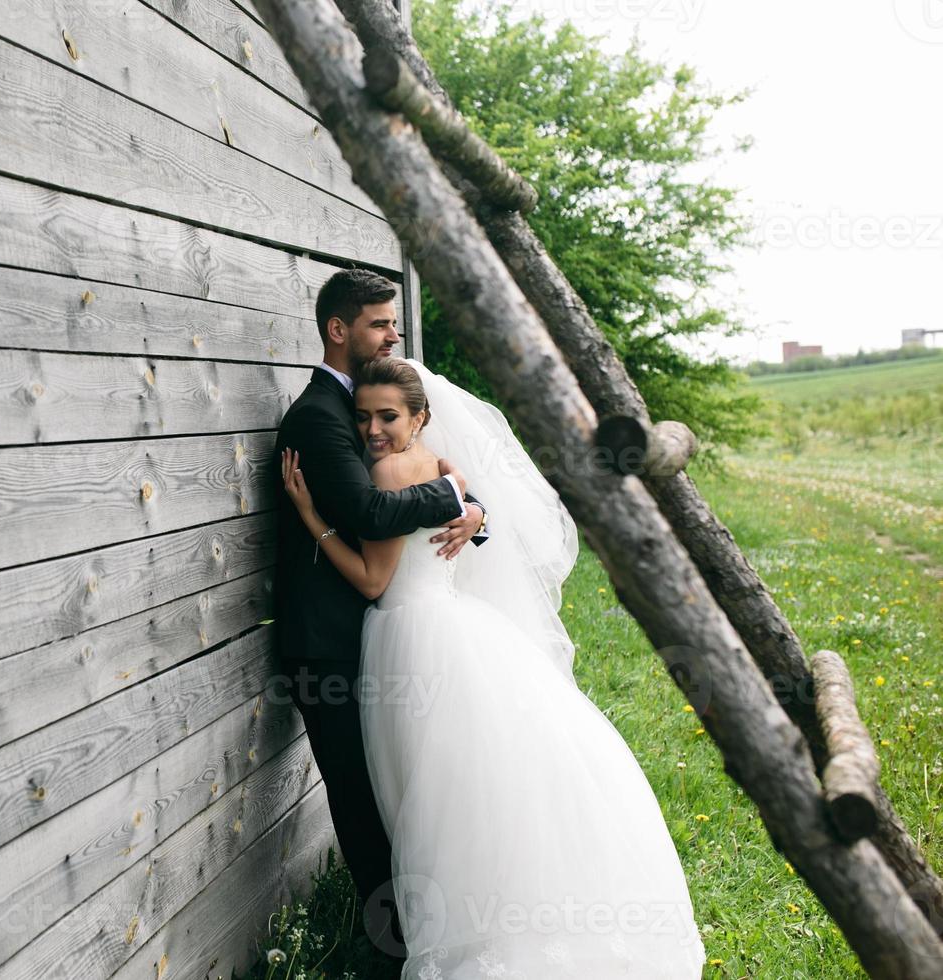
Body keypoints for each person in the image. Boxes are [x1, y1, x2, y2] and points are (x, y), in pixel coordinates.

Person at [281, 356, 706, 978]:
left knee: (433, 794)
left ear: (420, 416)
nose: (373, 429)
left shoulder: (395, 468)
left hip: (410, 635)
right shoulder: (441, 465)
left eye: (388, 416)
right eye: (364, 416)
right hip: (453, 625)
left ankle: (467, 934)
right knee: (476, 781)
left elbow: (375, 581)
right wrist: (470, 507)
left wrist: (311, 517)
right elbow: (458, 505)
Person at [272, 268, 489, 956]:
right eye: (379, 323)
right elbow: (370, 511)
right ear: (339, 330)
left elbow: (441, 484)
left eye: (394, 321)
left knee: (404, 786)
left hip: (386, 626)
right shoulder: (317, 415)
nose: (395, 333)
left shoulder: (370, 403)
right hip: (329, 642)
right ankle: (392, 946)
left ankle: (424, 930)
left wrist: (474, 505)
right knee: (364, 801)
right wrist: (455, 495)